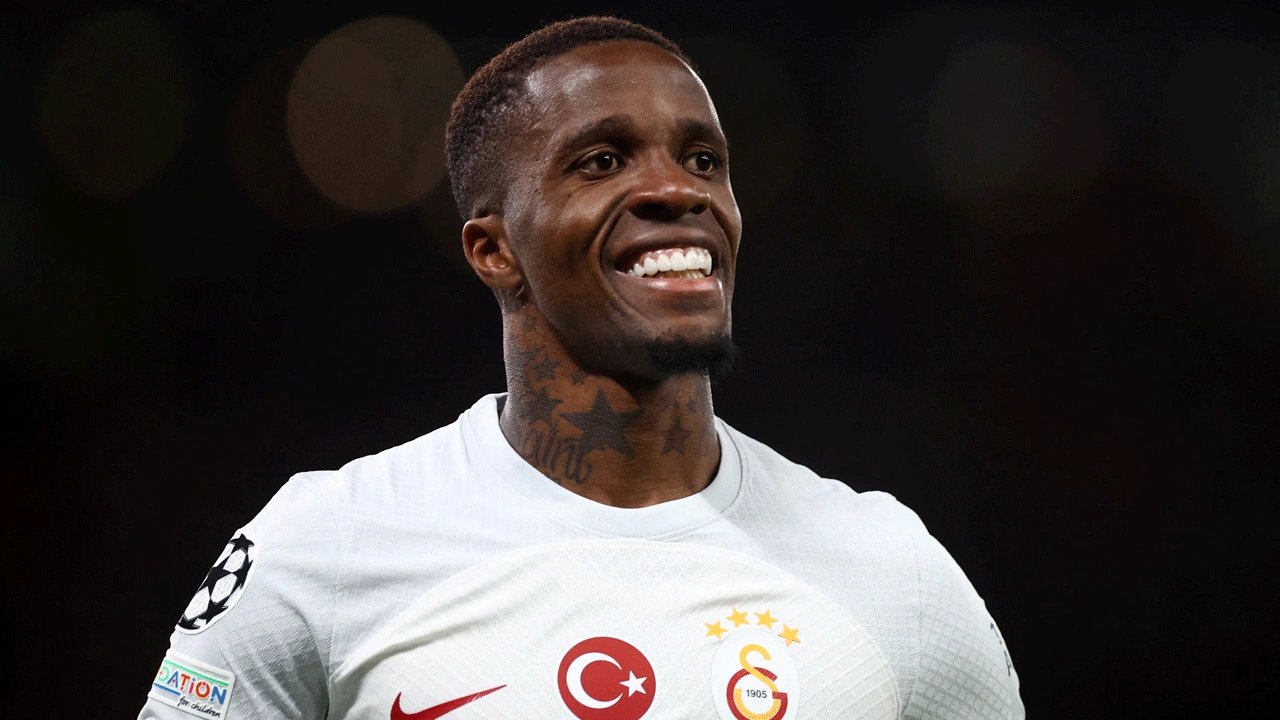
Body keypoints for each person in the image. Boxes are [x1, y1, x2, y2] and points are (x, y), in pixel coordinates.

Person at [138, 15, 1024, 720]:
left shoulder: (891, 571)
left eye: (703, 159)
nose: (677, 189)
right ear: (494, 251)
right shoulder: (327, 548)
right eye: (602, 161)